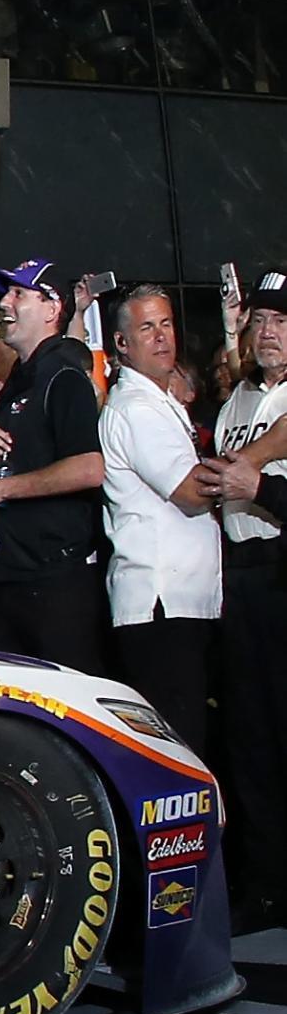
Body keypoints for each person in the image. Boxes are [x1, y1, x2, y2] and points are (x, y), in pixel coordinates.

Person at [0, 258, 108, 670]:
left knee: (60, 715)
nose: (6, 302)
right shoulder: (22, 379)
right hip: (6, 575)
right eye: (7, 292)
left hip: (52, 584)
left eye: (19, 293)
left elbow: (90, 468)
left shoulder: (64, 376)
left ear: (52, 308)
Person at [198, 270, 287, 927]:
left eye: (282, 321)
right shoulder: (235, 405)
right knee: (249, 736)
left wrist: (261, 490)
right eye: (261, 321)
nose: (269, 332)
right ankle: (265, 883)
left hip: (282, 562)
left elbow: (253, 488)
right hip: (240, 573)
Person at [100, 288, 220, 758]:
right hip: (160, 606)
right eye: (146, 328)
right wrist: (261, 453)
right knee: (177, 751)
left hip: (180, 602)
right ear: (122, 343)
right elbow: (191, 492)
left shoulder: (161, 400)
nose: (161, 337)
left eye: (166, 324)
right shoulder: (137, 407)